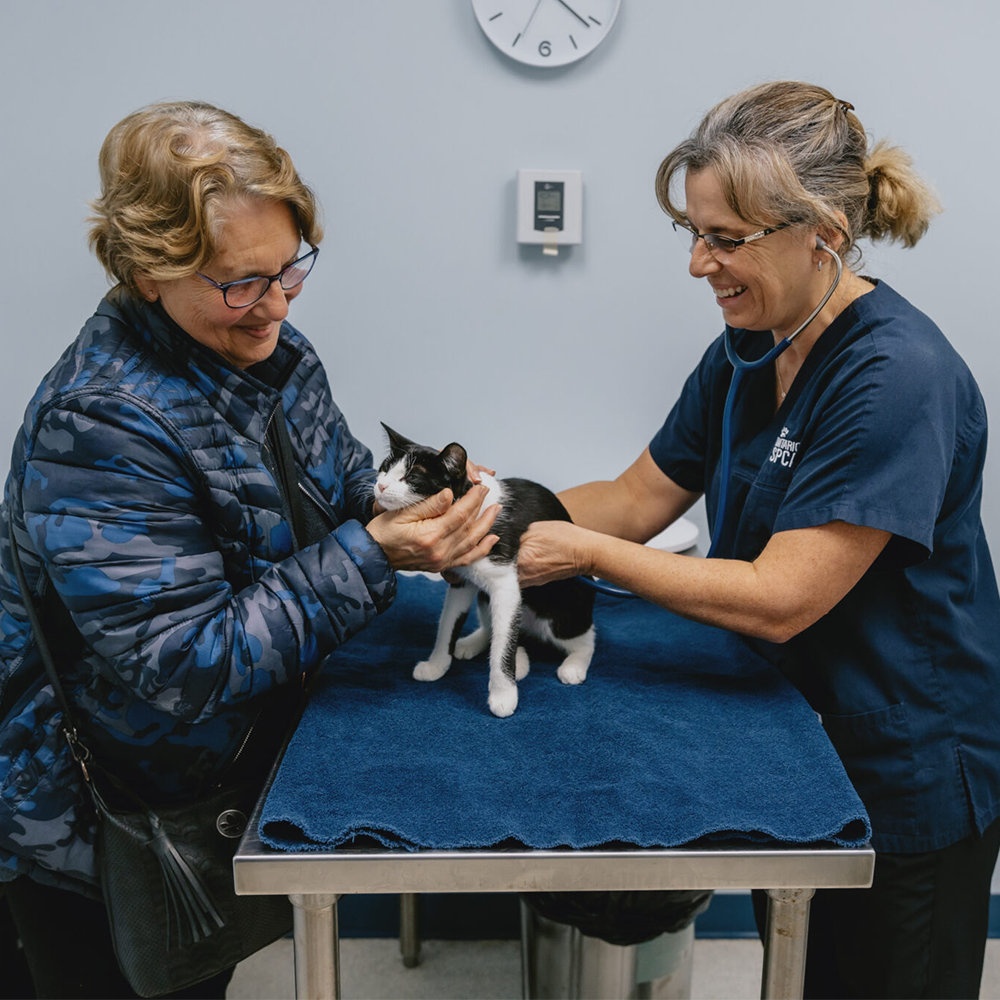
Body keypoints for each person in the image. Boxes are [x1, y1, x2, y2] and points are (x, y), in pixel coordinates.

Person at [0, 101, 499, 999]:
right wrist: (374, 554)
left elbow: (334, 475)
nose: (275, 304)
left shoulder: (265, 346)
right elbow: (183, 662)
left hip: (216, 774)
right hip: (99, 820)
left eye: (289, 269)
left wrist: (419, 510)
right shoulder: (103, 423)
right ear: (149, 269)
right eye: (240, 282)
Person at [518, 81, 1000, 999]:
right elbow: (631, 498)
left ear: (820, 229)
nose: (700, 264)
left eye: (727, 239)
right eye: (693, 234)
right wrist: (494, 509)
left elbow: (783, 598)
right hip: (807, 735)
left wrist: (579, 555)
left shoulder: (896, 375)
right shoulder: (752, 344)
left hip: (910, 759)